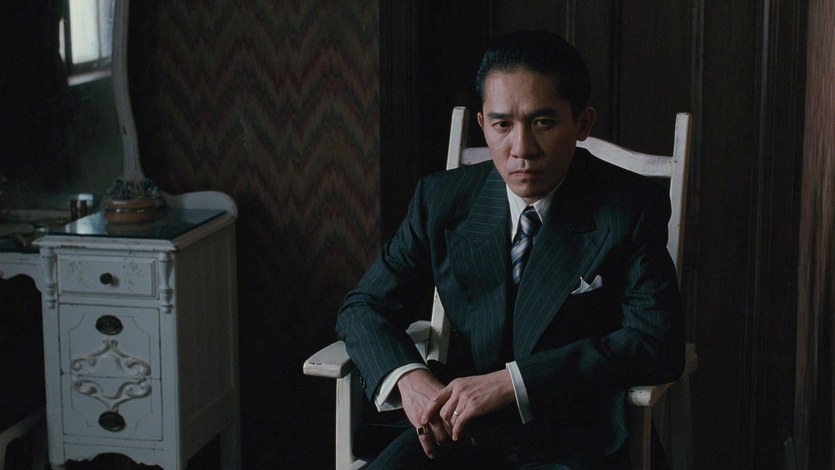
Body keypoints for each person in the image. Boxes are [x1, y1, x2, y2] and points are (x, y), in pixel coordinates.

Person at [336, 29, 684, 468]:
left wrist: (514, 383)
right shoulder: (440, 200)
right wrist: (410, 378)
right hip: (457, 429)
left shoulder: (628, 207)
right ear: (483, 124)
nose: (522, 149)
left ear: (582, 124)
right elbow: (364, 306)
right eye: (502, 125)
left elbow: (655, 343)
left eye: (543, 123)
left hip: (576, 433)